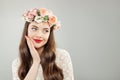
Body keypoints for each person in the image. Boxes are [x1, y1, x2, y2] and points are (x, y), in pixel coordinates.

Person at [12, 8, 74, 80]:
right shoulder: (17, 63)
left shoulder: (62, 56)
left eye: (46, 30)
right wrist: (36, 62)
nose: (39, 35)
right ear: (26, 31)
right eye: (34, 28)